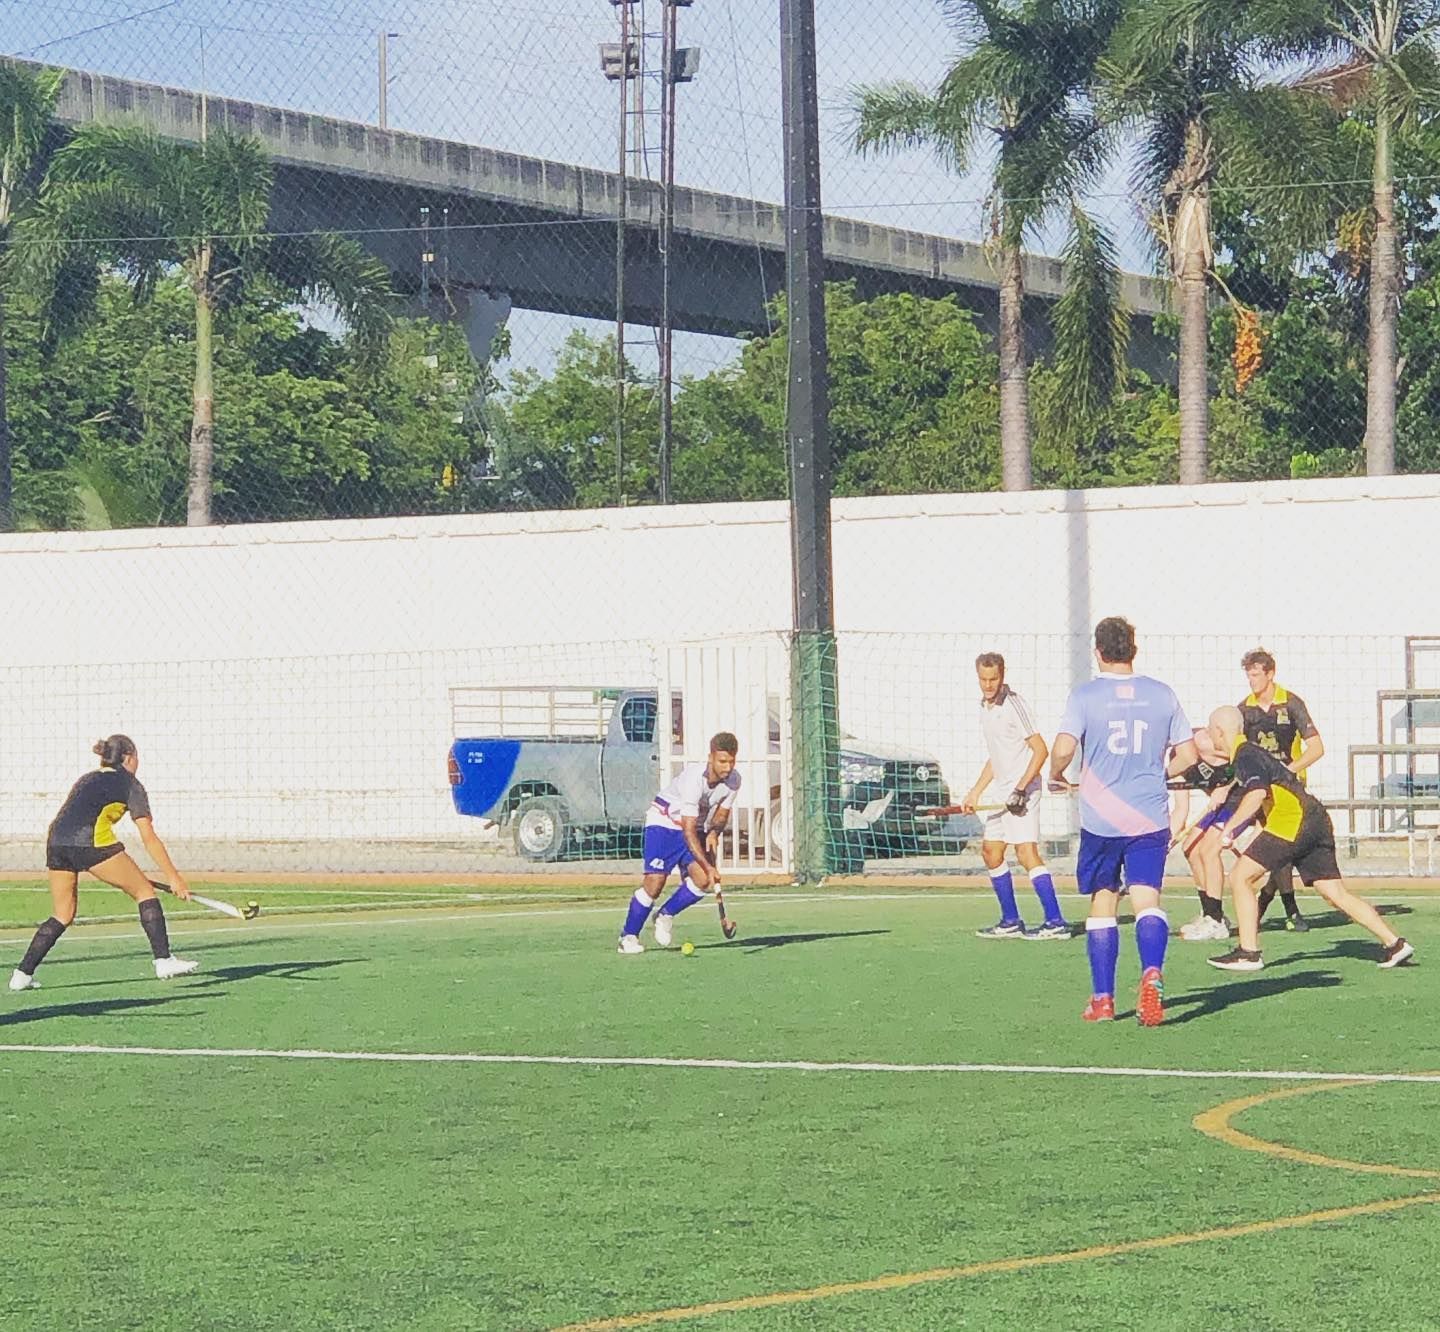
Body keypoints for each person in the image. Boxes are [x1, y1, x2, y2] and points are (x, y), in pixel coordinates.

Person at [1048, 618, 1198, 1026]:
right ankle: (1151, 970)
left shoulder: (1085, 696)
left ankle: (1103, 999)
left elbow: (1063, 747)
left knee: (1103, 901)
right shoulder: (1162, 695)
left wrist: (1057, 774)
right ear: (1134, 649)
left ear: (1098, 652)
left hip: (1101, 819)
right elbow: (1189, 753)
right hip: (1149, 815)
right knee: (1147, 897)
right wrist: (1161, 773)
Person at [1203, 706, 1413, 972]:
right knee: (1333, 892)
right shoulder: (1251, 753)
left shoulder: (1245, 755)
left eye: (1210, 730)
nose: (1209, 736)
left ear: (1220, 732)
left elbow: (1256, 794)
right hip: (1316, 819)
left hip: (1293, 820)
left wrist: (1228, 830)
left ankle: (1249, 953)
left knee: (1240, 877)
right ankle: (1395, 944)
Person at [9, 735, 198, 991]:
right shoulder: (131, 785)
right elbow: (149, 838)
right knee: (144, 892)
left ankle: (22, 975)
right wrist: (173, 877)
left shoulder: (86, 778)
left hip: (56, 844)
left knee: (62, 914)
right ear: (129, 757)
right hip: (92, 844)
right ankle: (163, 959)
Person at [959, 652, 1069, 940]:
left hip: (1024, 791)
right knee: (991, 852)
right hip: (1002, 791)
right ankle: (1010, 920)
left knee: (1025, 852)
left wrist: (1020, 789)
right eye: (983, 679)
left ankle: (1055, 921)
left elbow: (1041, 750)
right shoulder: (985, 707)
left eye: (993, 679)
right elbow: (997, 757)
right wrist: (975, 791)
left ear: (1003, 676)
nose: (988, 685)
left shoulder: (1014, 705)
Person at [617, 732, 740, 955]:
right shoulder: (695, 780)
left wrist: (714, 833)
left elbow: (722, 814)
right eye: (722, 761)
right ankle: (628, 936)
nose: (727, 767)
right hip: (664, 822)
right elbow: (688, 830)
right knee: (655, 882)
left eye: (732, 761)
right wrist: (710, 865)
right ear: (710, 757)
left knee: (702, 880)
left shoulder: (733, 781)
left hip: (692, 826)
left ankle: (665, 914)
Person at [1239, 649, 1325, 932]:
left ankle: (1271, 904)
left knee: (1281, 850)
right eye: (1248, 675)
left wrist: (1289, 769)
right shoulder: (1245, 710)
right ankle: (1287, 910)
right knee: (1278, 850)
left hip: (1291, 790)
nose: (1251, 680)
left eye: (1255, 675)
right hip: (1265, 792)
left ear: (1270, 674)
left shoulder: (1291, 704)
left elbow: (1317, 748)